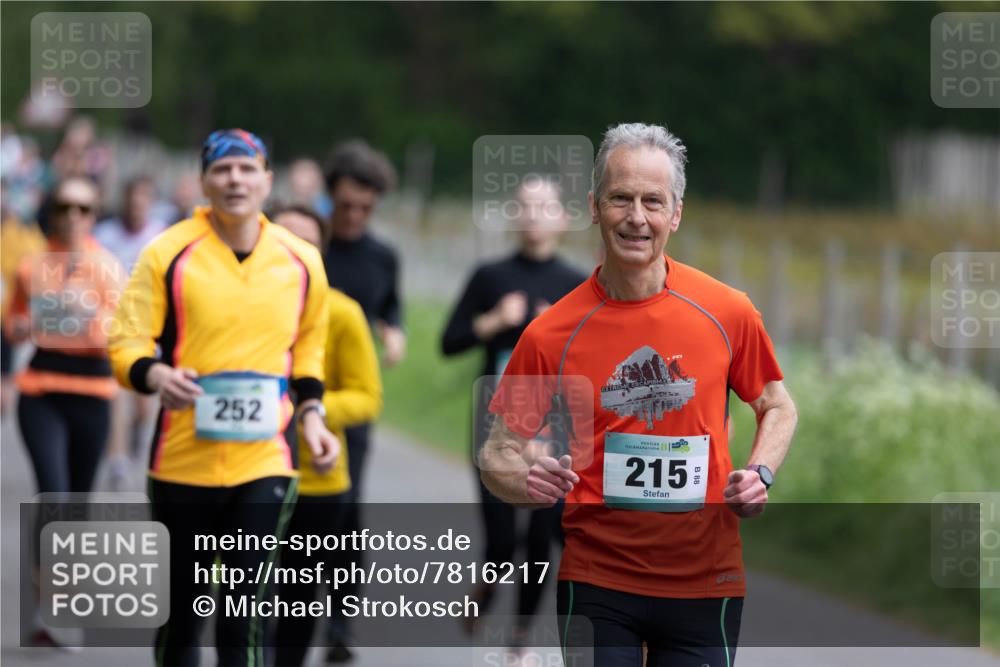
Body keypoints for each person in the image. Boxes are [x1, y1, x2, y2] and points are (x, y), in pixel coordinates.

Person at [480, 123, 798, 667]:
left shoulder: (726, 312)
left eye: (653, 202)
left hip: (705, 579)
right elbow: (496, 453)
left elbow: (777, 404)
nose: (636, 217)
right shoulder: (553, 331)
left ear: (675, 214)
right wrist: (523, 482)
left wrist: (760, 473)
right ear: (594, 206)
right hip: (597, 581)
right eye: (620, 198)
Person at [109, 129, 339, 667]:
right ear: (204, 181)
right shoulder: (168, 252)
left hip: (266, 460)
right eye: (222, 169)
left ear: (267, 180)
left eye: (246, 168)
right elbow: (126, 341)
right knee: (183, 616)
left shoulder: (302, 259)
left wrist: (311, 416)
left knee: (244, 612)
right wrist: (155, 376)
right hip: (181, 459)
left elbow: (308, 351)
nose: (235, 179)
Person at [441, 176, 585, 647]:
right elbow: (449, 342)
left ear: (564, 218)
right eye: (524, 206)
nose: (532, 215)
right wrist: (494, 321)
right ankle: (488, 585)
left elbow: (591, 358)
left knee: (544, 531)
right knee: (502, 540)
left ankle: (519, 638)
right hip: (494, 419)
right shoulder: (490, 277)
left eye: (544, 206)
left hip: (553, 421)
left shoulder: (576, 285)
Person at [5, 176, 124, 646]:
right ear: (52, 212)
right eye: (65, 207)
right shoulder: (31, 266)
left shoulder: (110, 268)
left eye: (83, 209)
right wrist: (30, 322)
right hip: (41, 391)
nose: (73, 217)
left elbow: (120, 334)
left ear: (94, 215)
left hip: (93, 393)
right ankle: (45, 616)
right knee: (52, 496)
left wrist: (85, 316)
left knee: (75, 505)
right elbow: (12, 325)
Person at [267, 204, 383, 667]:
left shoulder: (343, 314)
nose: (295, 252)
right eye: (283, 240)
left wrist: (307, 411)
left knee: (297, 596)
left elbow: (367, 397)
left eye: (307, 244)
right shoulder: (238, 311)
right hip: (241, 472)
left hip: (317, 481)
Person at [321, 139, 403, 660]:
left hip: (350, 401)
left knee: (346, 509)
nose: (354, 216)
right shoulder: (305, 246)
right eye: (346, 205)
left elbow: (391, 309)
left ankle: (340, 623)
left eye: (365, 209)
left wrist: (394, 331)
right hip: (288, 399)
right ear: (330, 196)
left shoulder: (382, 256)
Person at [95, 174, 169, 490]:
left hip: (147, 327)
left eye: (143, 201)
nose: (137, 207)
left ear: (150, 204)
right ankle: (118, 459)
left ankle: (139, 431)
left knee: (142, 402)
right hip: (111, 326)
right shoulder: (105, 235)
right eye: (132, 200)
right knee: (115, 396)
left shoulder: (161, 238)